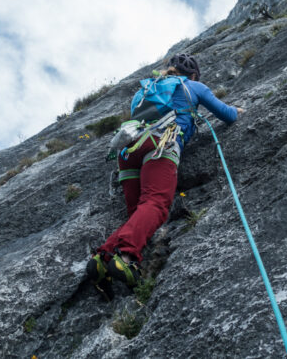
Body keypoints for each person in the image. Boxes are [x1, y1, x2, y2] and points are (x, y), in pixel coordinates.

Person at [87, 53, 243, 295]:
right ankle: (126, 258)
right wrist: (238, 110)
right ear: (192, 75)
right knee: (156, 204)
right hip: (160, 143)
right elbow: (227, 115)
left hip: (128, 151)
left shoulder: (147, 89)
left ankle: (103, 258)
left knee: (139, 212)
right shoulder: (193, 85)